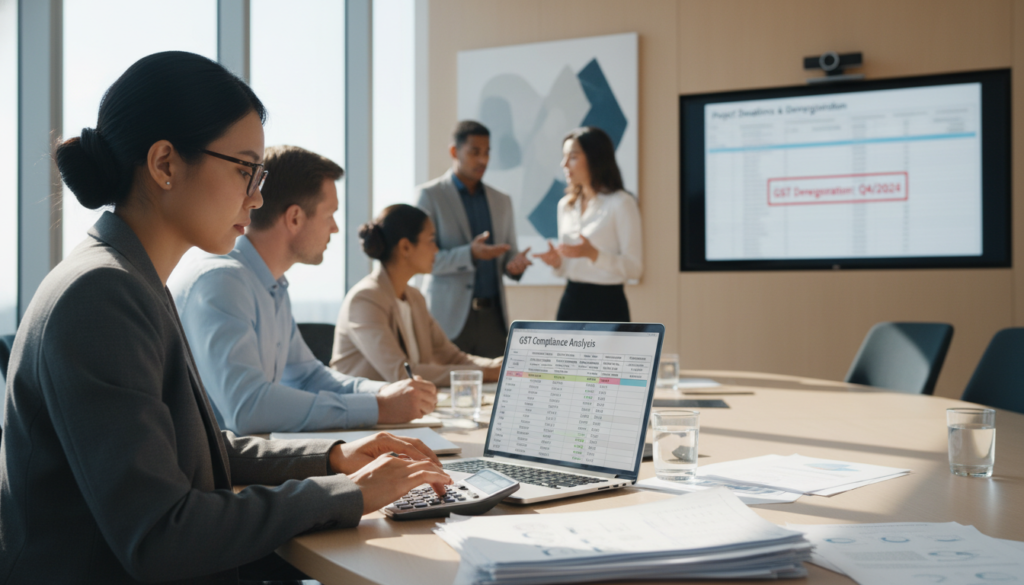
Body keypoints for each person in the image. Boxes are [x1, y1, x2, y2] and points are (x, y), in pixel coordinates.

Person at [0, 52, 450, 584]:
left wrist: (334, 457)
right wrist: (348, 493)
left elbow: (199, 450)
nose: (257, 196)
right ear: (165, 164)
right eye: (245, 170)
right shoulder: (103, 294)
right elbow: (162, 533)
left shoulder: (131, 278)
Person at [169, 145, 437, 435]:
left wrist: (389, 392)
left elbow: (308, 376)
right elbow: (247, 408)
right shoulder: (222, 281)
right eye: (330, 214)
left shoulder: (270, 284)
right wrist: (379, 407)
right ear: (295, 218)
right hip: (221, 476)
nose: (335, 228)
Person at [331, 204, 502, 386]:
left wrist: (499, 366)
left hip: (403, 408)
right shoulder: (365, 299)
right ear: (405, 247)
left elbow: (451, 357)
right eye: (431, 240)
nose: (436, 249)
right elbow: (402, 373)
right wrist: (486, 373)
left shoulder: (414, 298)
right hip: (363, 411)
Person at [416, 120, 532, 358]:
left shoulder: (502, 201)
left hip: (493, 321)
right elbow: (424, 260)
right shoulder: (430, 196)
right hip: (448, 320)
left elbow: (509, 254)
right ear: (454, 151)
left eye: (487, 152)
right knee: (443, 392)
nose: (483, 160)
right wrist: (469, 254)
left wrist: (515, 265)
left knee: (496, 391)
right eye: (475, 152)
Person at [534, 127, 643, 322]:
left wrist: (594, 255)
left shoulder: (621, 203)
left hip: (607, 305)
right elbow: (569, 266)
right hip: (571, 301)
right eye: (564, 157)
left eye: (573, 157)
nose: (564, 164)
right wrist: (557, 262)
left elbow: (635, 269)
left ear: (595, 158)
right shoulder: (566, 205)